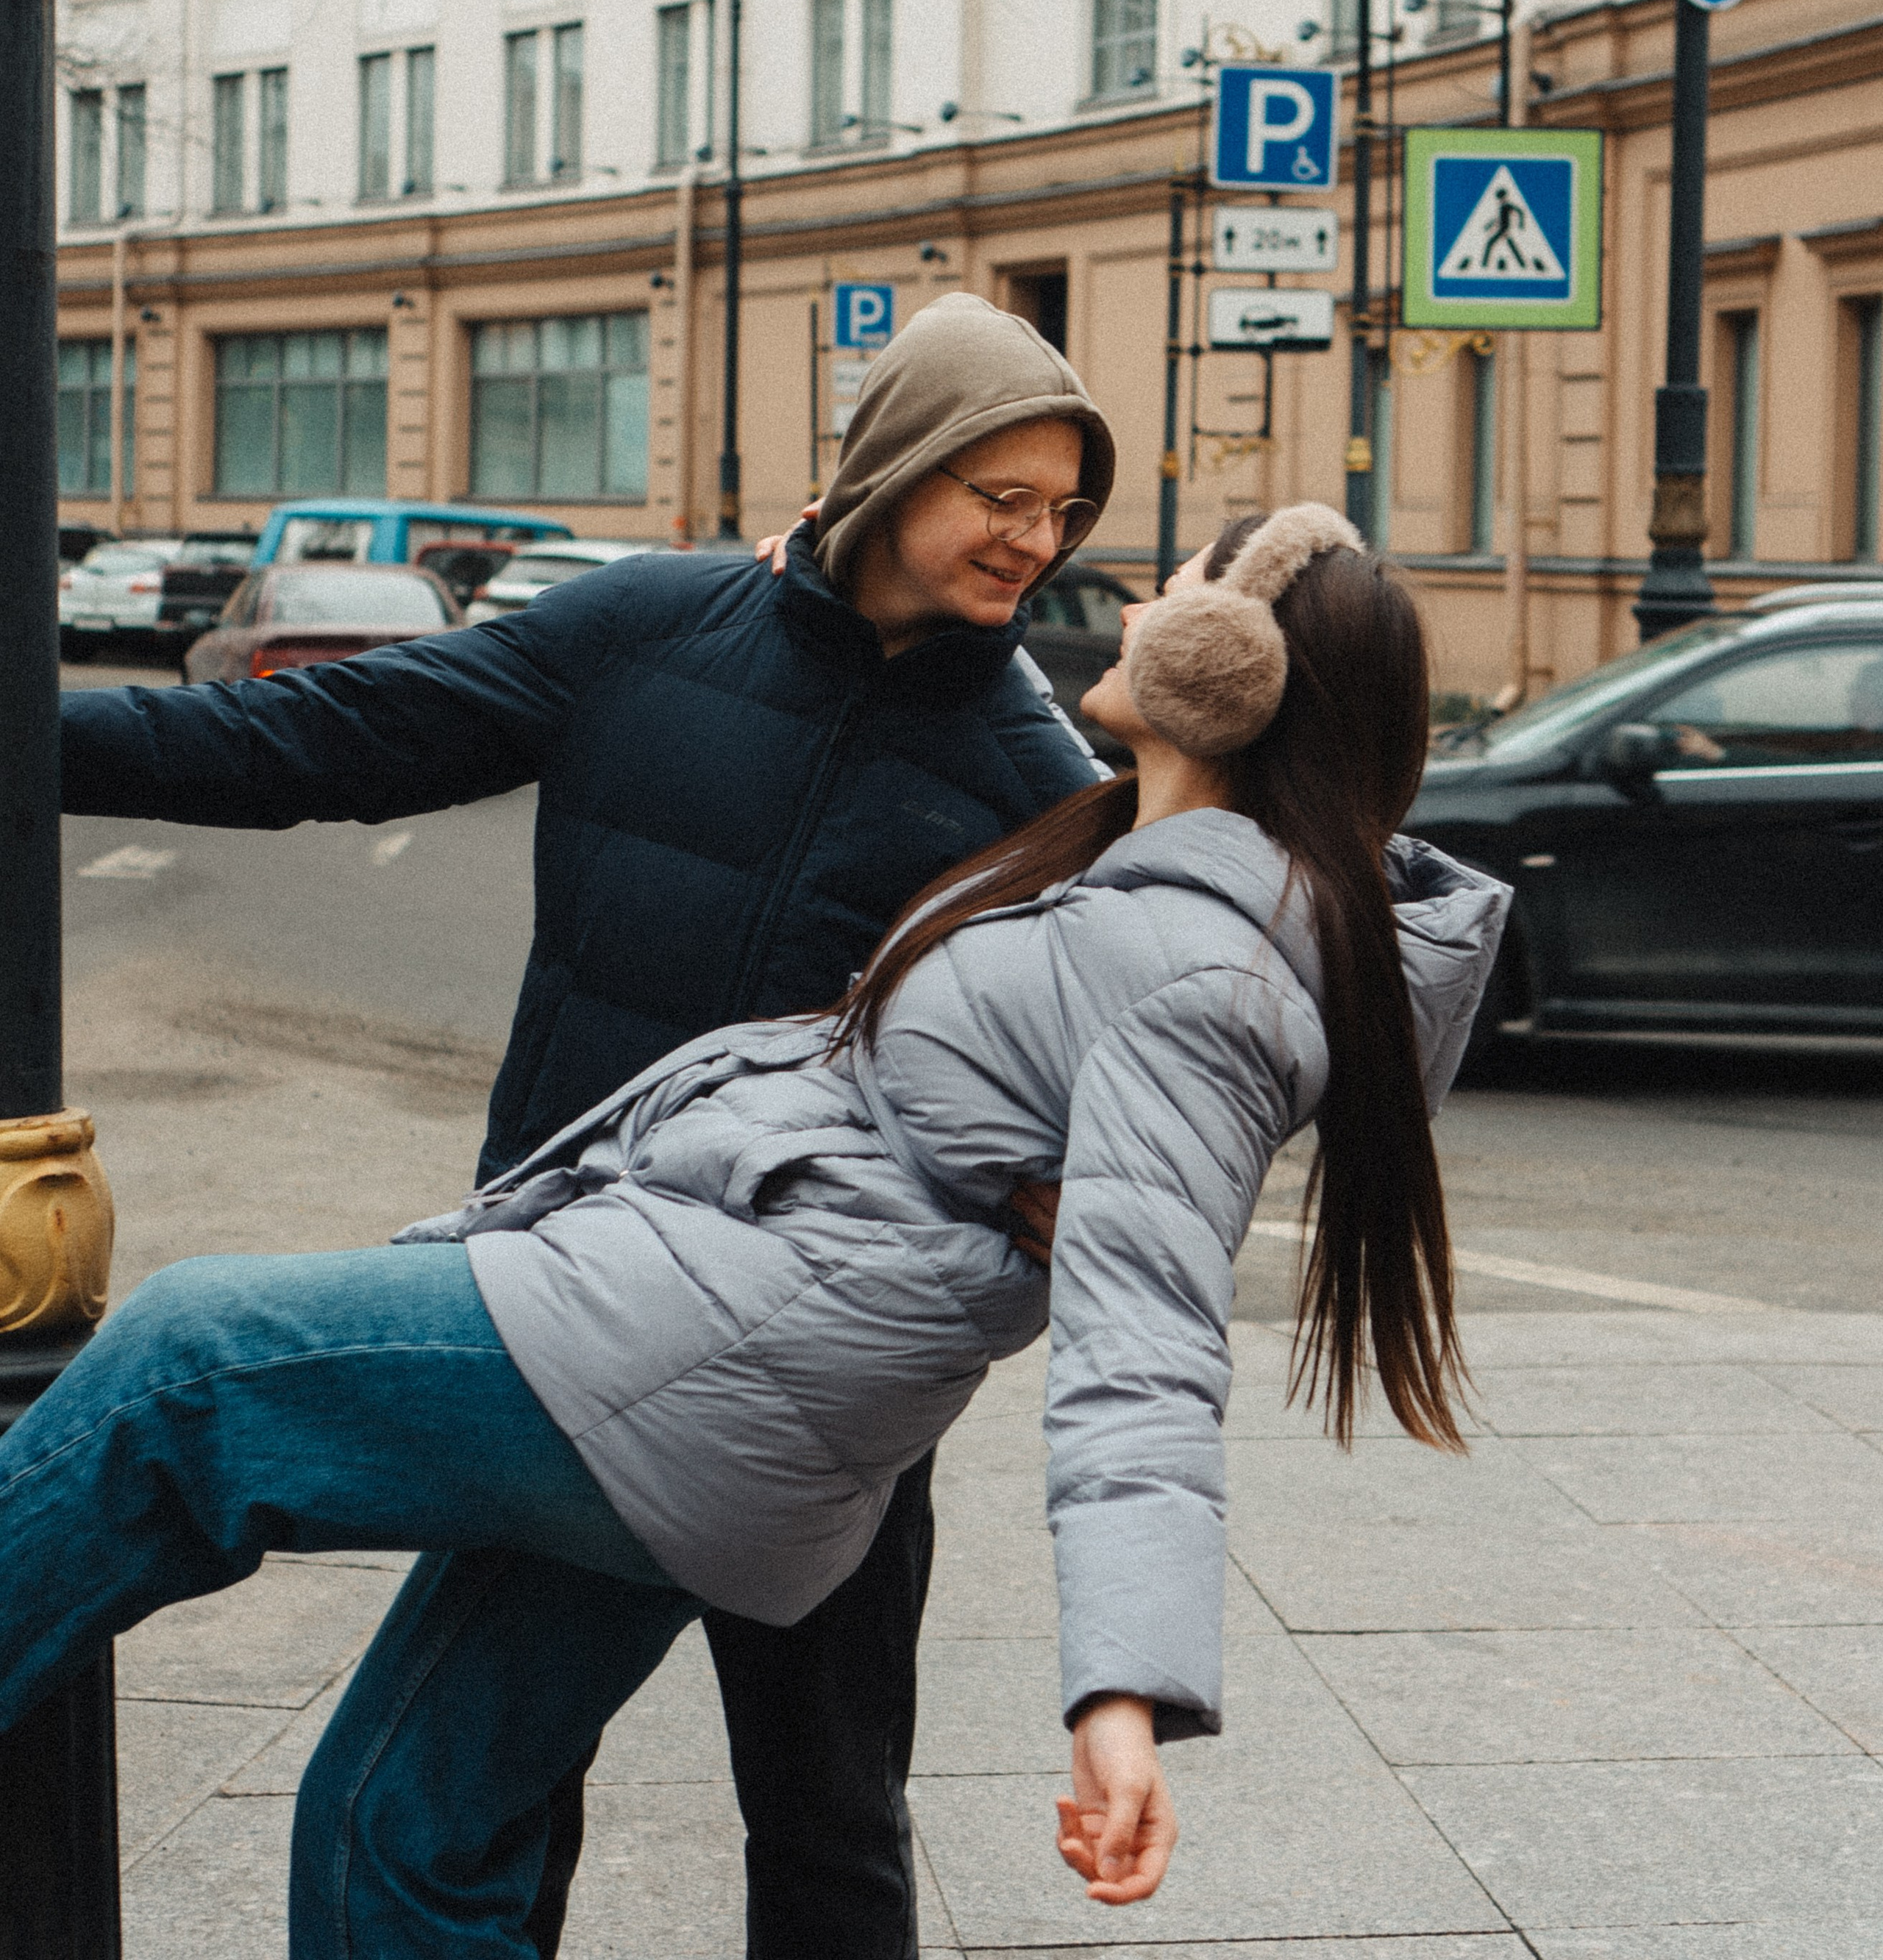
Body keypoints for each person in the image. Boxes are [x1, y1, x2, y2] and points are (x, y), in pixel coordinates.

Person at [8, 502, 1511, 1953]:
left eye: (1165, 583)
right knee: (403, 1819)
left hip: (709, 1351)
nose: (1107, 593)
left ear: (1228, 672)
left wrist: (1122, 1691)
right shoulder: (1139, 869)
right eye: (999, 498)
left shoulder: (1203, 975)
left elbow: (1147, 1351)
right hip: (712, 1378)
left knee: (184, 1369)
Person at [57, 291, 1115, 1960]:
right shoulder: (644, 626)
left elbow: (1093, 1087)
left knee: (826, 1813)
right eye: (1001, 496)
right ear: (894, 466)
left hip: (796, 1364)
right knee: (487, 1790)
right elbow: (312, 740)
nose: (1033, 540)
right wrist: (41, 741)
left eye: (1061, 511)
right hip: (565, 1304)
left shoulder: (1032, 786)